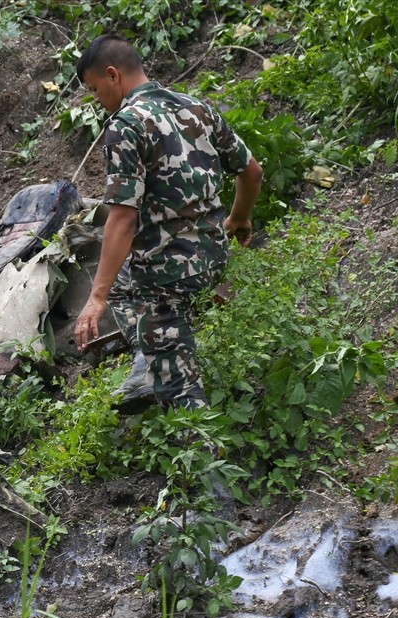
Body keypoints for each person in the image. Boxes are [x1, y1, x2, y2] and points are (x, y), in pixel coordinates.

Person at [73, 34, 263, 409]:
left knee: (183, 405)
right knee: (120, 278)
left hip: (165, 279)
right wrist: (239, 219)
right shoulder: (198, 108)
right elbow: (252, 172)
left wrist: (95, 297)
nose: (97, 99)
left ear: (113, 75)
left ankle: (197, 434)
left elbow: (123, 219)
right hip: (213, 258)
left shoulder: (124, 125)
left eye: (95, 89)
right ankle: (152, 353)